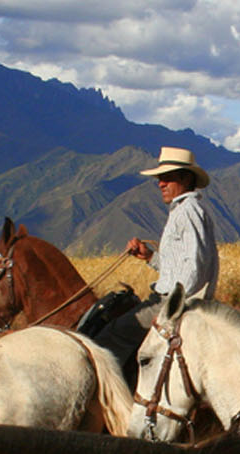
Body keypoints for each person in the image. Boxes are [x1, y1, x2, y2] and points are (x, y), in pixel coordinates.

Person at [88, 146, 218, 367]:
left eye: (167, 178)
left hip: (172, 303)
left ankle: (110, 394)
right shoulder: (184, 210)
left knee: (113, 335)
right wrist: (149, 256)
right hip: (174, 300)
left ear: (185, 178)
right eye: (160, 179)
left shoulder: (187, 212)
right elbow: (178, 267)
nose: (161, 184)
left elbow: (194, 266)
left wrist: (172, 309)